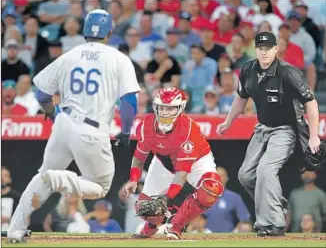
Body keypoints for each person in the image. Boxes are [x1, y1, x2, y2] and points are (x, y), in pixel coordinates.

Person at [7, 9, 140, 243]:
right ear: (109, 32)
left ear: (85, 30)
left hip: (64, 122)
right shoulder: (119, 58)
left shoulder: (70, 55)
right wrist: (127, 132)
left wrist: (52, 114)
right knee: (99, 187)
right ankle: (59, 180)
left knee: (42, 175)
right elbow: (129, 101)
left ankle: (15, 229)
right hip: (92, 128)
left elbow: (42, 95)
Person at [217, 31, 320, 237]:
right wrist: (228, 121)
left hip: (287, 128)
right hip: (263, 127)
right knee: (245, 176)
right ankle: (277, 205)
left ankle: (273, 224)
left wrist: (315, 135)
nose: (264, 52)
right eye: (260, 49)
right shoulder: (247, 69)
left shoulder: (288, 72)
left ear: (276, 49)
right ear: (255, 50)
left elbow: (311, 102)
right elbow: (241, 97)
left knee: (265, 169)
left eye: (268, 48)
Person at [122, 87, 224, 240]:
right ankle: (152, 225)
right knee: (143, 207)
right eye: (162, 107)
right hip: (163, 162)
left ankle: (176, 225)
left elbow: (181, 173)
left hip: (197, 162)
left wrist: (167, 197)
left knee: (212, 188)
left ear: (181, 108)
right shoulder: (146, 124)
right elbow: (139, 156)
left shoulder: (189, 129)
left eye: (170, 108)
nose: (164, 112)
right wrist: (134, 179)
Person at [204, 167, 251, 233]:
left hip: (229, 234)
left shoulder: (234, 197)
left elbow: (244, 219)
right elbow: (194, 218)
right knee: (190, 229)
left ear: (227, 178)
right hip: (206, 233)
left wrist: (235, 231)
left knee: (246, 227)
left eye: (222, 176)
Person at [1, 167, 21, 232]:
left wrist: (6, 219)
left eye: (5, 176)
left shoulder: (16, 196)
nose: (2, 178)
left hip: (10, 233)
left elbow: (25, 219)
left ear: (10, 180)